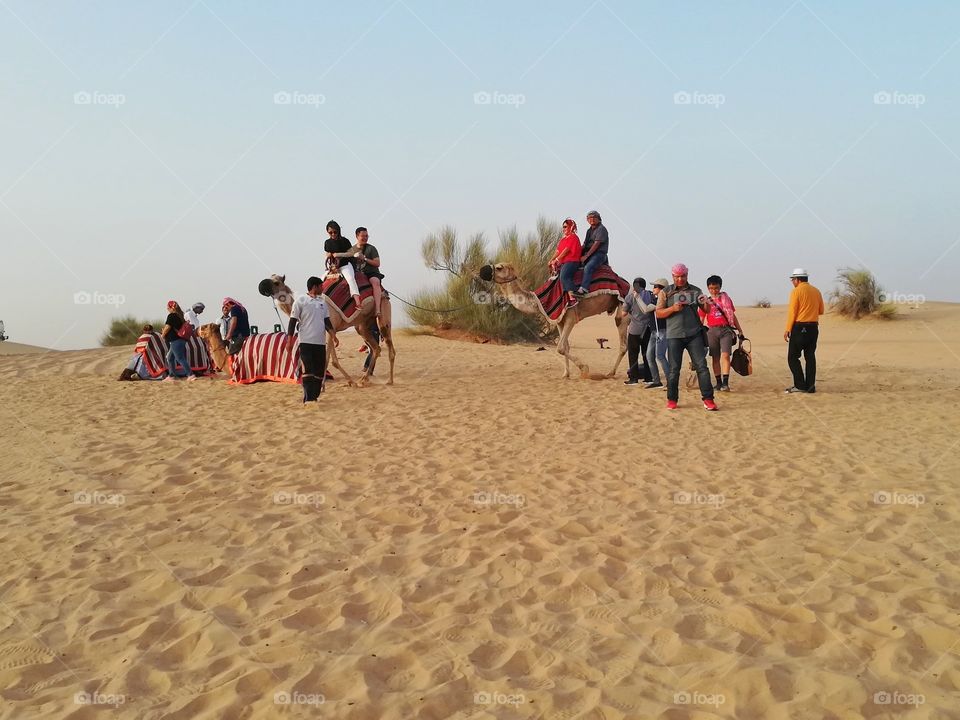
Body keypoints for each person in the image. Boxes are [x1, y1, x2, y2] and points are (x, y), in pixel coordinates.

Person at [655, 264, 717, 410]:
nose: (680, 279)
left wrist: (706, 302)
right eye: (677, 276)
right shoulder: (666, 292)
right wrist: (673, 308)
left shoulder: (696, 291)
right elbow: (658, 313)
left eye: (683, 276)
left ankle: (708, 399)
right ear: (673, 276)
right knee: (674, 370)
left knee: (702, 367)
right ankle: (672, 400)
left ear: (687, 275)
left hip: (694, 335)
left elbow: (706, 310)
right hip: (674, 336)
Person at [287, 276, 332, 403]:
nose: (323, 288)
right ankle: (309, 399)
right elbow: (292, 321)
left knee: (319, 372)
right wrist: (289, 341)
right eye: (321, 286)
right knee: (308, 370)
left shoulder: (323, 302)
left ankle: (314, 397)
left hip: (320, 343)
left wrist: (333, 334)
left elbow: (326, 321)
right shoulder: (300, 301)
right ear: (314, 287)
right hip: (306, 342)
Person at [699, 275, 744, 392]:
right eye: (711, 288)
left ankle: (725, 383)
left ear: (720, 287)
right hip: (711, 331)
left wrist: (740, 330)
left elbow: (732, 316)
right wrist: (698, 332)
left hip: (726, 330)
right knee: (715, 357)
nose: (714, 290)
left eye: (716, 288)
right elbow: (701, 318)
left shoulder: (726, 299)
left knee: (725, 355)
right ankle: (718, 383)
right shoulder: (705, 301)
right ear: (708, 288)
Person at [784, 267, 824, 393]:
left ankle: (800, 385)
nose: (792, 282)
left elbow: (793, 312)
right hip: (813, 327)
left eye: (793, 279)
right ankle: (810, 386)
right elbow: (821, 310)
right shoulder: (816, 291)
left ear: (797, 280)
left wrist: (787, 329)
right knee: (810, 357)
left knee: (792, 357)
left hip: (800, 327)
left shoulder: (796, 292)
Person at [622, 278, 655, 385]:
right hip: (647, 329)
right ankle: (648, 378)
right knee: (647, 354)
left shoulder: (630, 297)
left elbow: (623, 313)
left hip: (634, 329)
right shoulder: (650, 295)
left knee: (633, 354)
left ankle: (633, 379)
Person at [324, 220, 362, 308]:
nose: (333, 234)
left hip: (344, 265)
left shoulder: (345, 241)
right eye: (330, 232)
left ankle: (357, 301)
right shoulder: (327, 242)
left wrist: (339, 254)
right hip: (333, 267)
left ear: (338, 231)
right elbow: (327, 253)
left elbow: (351, 253)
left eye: (335, 232)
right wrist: (328, 255)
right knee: (321, 279)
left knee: (350, 279)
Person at [161, 301, 200, 382]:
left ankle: (190, 375)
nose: (167, 309)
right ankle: (171, 376)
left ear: (171, 307)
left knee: (180, 358)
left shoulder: (171, 316)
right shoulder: (181, 316)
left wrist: (163, 335)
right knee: (170, 358)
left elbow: (167, 327)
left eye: (168, 307)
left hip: (175, 340)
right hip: (181, 339)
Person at [351, 227, 385, 318]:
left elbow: (377, 263)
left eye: (367, 236)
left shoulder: (371, 249)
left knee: (375, 281)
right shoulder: (352, 250)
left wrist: (364, 259)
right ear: (357, 236)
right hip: (358, 274)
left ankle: (377, 309)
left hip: (371, 273)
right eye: (363, 236)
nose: (365, 238)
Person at [548, 218, 582, 307]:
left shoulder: (573, 237)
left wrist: (556, 260)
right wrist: (551, 259)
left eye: (565, 227)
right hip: (564, 262)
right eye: (563, 227)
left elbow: (566, 250)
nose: (563, 229)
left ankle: (574, 297)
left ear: (571, 227)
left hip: (572, 261)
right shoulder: (563, 240)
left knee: (564, 276)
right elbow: (558, 251)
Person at [643, 279, 670, 389]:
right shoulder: (655, 299)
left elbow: (645, 309)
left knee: (660, 356)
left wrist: (637, 297)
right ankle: (656, 381)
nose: (653, 289)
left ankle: (670, 381)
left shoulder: (662, 301)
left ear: (661, 289)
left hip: (662, 331)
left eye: (655, 287)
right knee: (649, 356)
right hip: (654, 332)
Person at [575, 210, 608, 295]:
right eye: (589, 217)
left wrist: (586, 256)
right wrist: (575, 251)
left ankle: (584, 289)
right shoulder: (589, 231)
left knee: (588, 267)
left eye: (594, 217)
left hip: (598, 254)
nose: (592, 219)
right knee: (572, 263)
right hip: (589, 253)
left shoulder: (601, 229)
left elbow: (596, 244)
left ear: (599, 219)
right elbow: (585, 244)